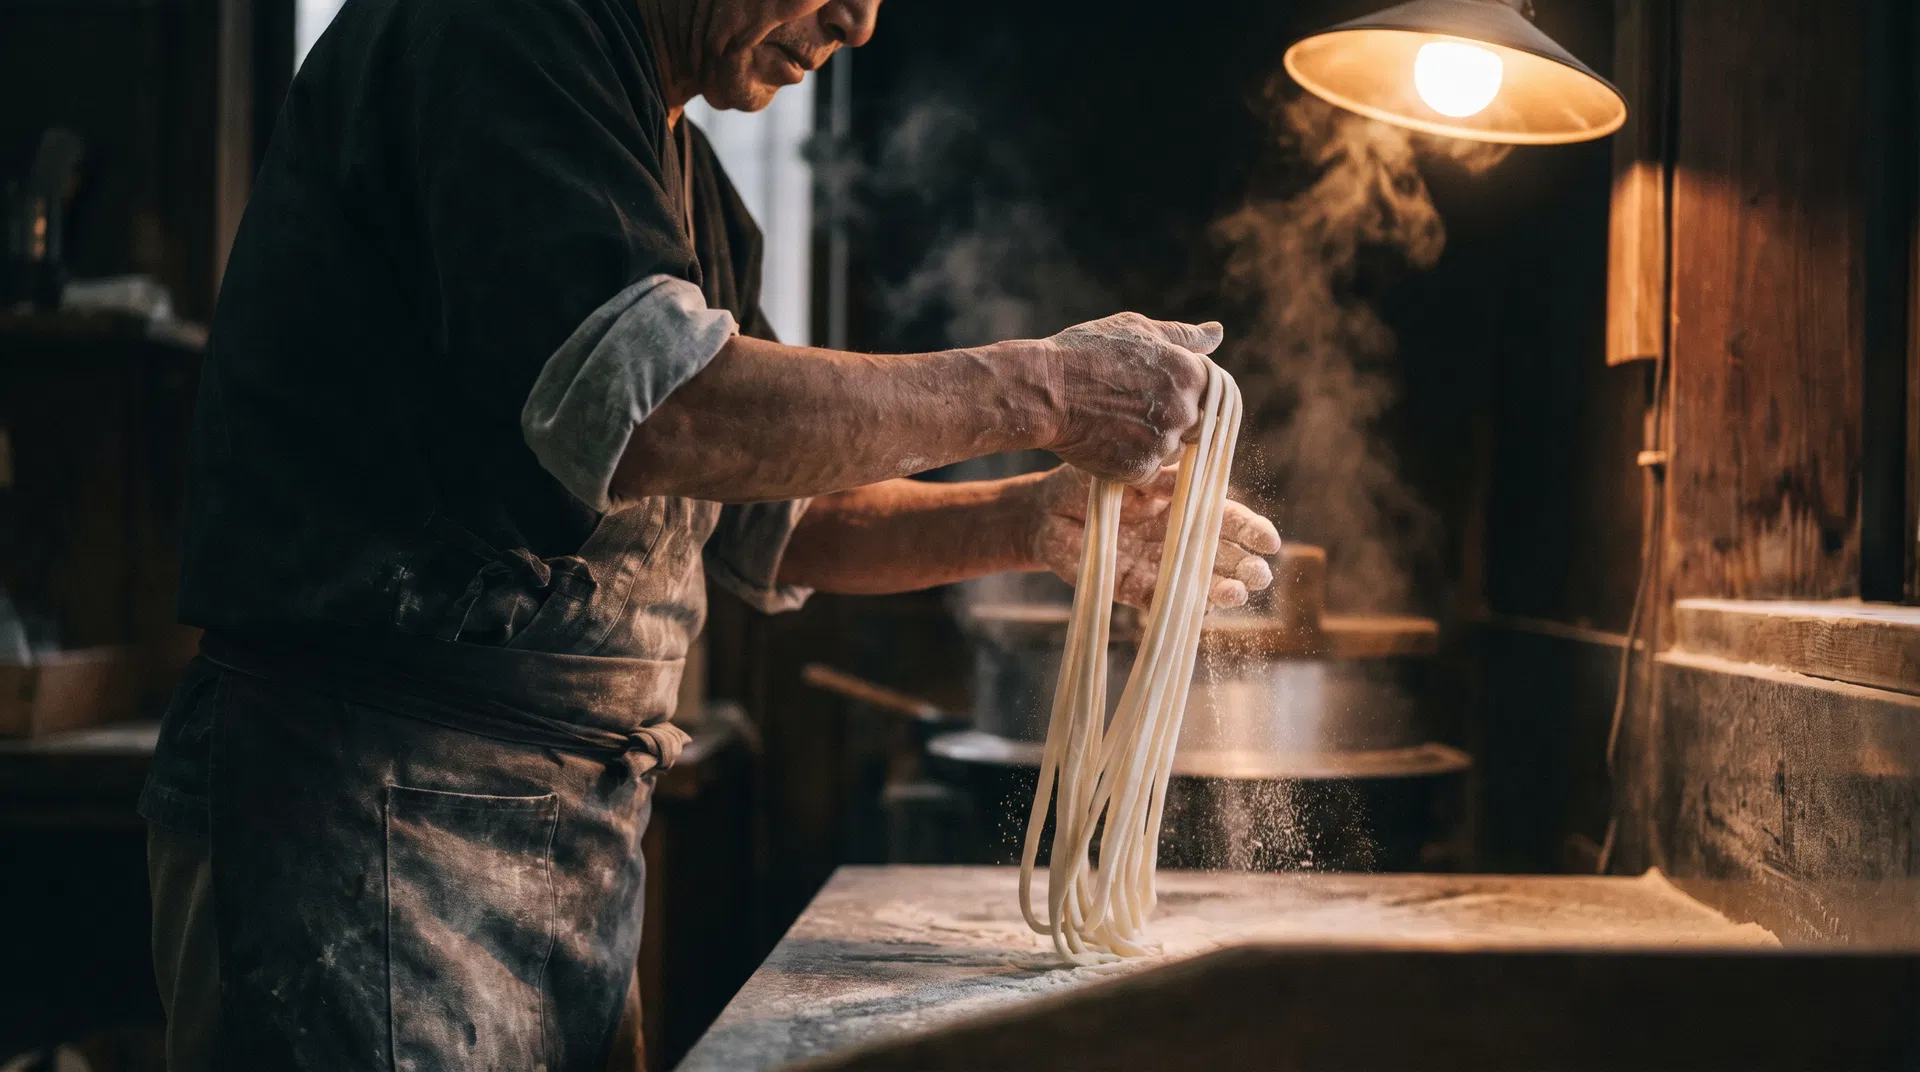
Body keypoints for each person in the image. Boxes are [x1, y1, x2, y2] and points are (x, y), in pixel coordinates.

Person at [139, 0, 1283, 1067]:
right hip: (360, 801)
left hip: (571, 828)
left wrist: (1034, 518)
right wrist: (1048, 391)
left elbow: (775, 514)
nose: (858, 18)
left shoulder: (678, 174)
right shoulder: (500, 34)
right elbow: (662, 418)